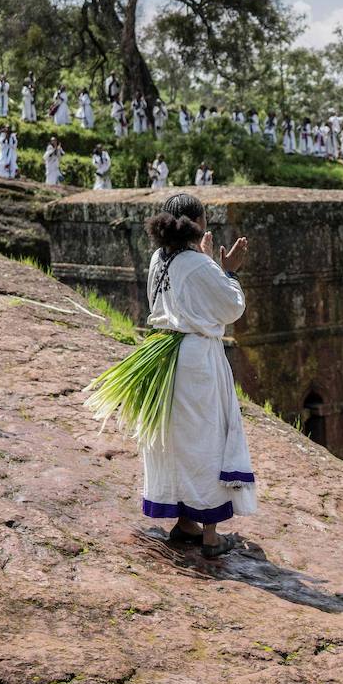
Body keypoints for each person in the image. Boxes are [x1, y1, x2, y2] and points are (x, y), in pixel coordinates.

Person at [85, 193, 253, 558]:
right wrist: (229, 271)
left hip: (166, 355)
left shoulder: (159, 259)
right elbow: (230, 307)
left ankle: (185, 523)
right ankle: (210, 535)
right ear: (197, 224)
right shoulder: (198, 263)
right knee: (206, 439)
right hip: (196, 361)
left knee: (175, 440)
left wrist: (212, 267)